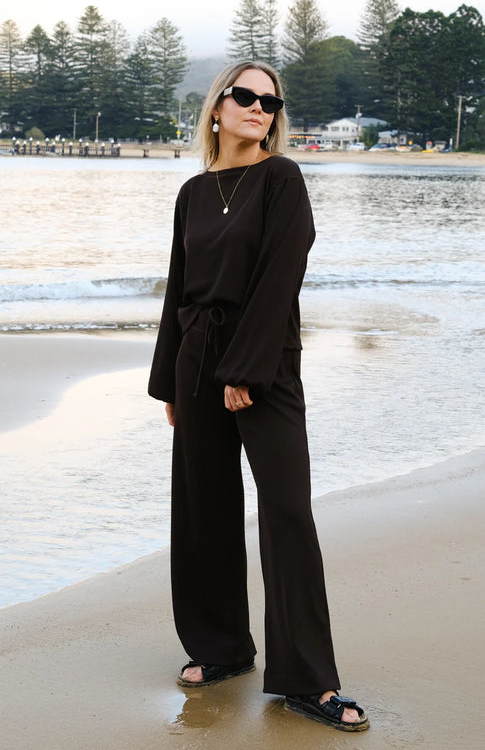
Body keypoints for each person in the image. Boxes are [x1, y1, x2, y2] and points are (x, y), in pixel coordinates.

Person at [148, 60, 369, 733]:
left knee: (284, 511)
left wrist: (244, 369)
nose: (257, 108)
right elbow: (178, 287)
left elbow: (283, 270)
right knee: (203, 507)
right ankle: (221, 649)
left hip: (263, 361)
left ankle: (307, 679)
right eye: (243, 97)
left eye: (269, 101)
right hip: (195, 358)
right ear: (216, 107)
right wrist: (169, 383)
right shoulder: (192, 191)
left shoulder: (280, 178)